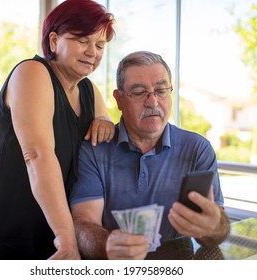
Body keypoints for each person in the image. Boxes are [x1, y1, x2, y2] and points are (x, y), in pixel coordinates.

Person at [0, 0, 115, 260]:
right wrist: (67, 238)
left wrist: (105, 122)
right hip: (6, 223)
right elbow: (37, 155)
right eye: (83, 41)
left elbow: (104, 141)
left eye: (100, 45)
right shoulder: (32, 73)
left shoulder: (89, 90)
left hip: (52, 225)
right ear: (55, 40)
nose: (93, 52)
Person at [69, 51, 230, 260]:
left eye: (161, 90)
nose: (153, 102)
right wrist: (107, 245)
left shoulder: (197, 149)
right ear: (119, 100)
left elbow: (218, 231)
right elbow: (83, 223)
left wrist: (212, 225)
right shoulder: (95, 149)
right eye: (138, 92)